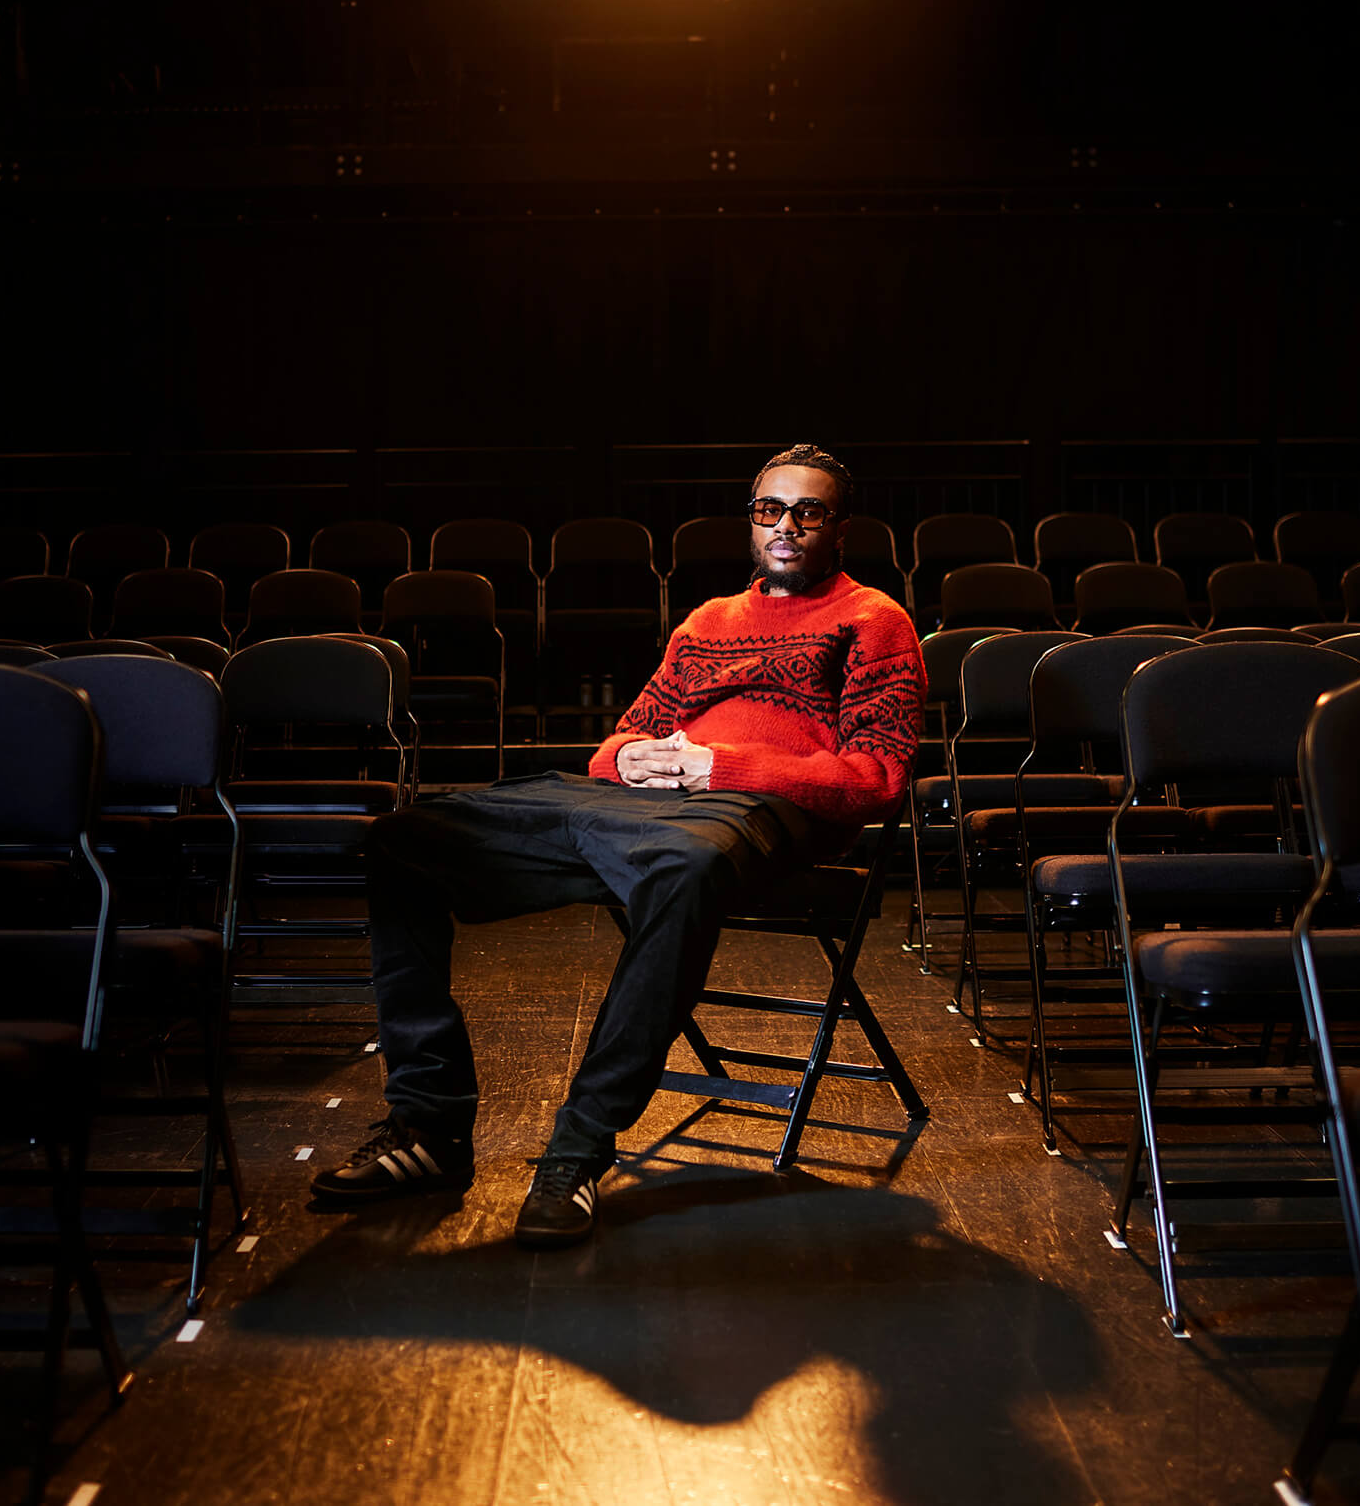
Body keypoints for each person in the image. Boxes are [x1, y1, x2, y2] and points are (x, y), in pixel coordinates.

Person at [310, 443, 926, 1246]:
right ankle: (429, 1127)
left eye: (808, 512)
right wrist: (625, 755)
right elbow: (629, 731)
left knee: (685, 867)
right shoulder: (707, 621)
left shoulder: (875, 621)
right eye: (770, 510)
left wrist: (723, 763)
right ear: (752, 519)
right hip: (635, 800)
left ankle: (576, 1151)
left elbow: (877, 777)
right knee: (403, 840)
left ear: (839, 527)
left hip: (744, 813)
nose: (786, 526)